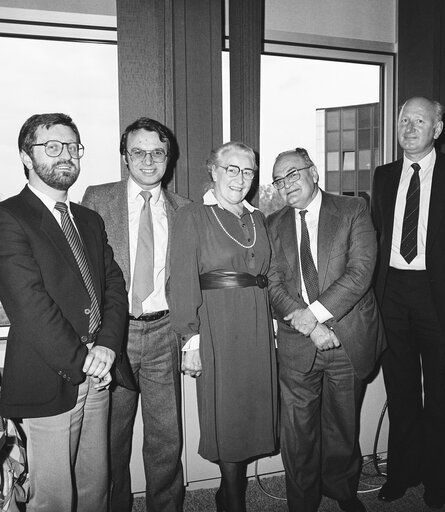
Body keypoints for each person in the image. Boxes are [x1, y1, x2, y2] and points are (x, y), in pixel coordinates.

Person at [0, 113, 128, 512]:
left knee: (94, 486)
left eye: (73, 147)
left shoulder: (89, 219)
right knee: (53, 497)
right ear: (26, 155)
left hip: (99, 368)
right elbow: (29, 306)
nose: (66, 155)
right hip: (52, 372)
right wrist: (85, 362)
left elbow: (113, 287)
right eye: (52, 146)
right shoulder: (8, 218)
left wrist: (106, 346)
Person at [371, 97, 445, 508]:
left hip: (439, 296)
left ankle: (439, 480)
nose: (409, 126)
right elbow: (377, 235)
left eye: (419, 120)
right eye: (404, 119)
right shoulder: (384, 176)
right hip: (392, 297)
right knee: (400, 392)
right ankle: (403, 474)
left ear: (437, 129)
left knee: (440, 394)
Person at [267, 147, 385, 512]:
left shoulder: (353, 210)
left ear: (314, 172)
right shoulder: (271, 225)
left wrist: (313, 315)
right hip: (296, 343)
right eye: (278, 179)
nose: (286, 184)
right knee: (297, 434)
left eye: (293, 174)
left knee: (342, 428)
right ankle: (301, 502)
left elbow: (360, 273)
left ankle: (343, 491)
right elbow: (271, 283)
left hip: (345, 339)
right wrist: (307, 324)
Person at [82, 117, 189, 512]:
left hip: (164, 333)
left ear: (168, 158)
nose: (148, 160)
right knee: (110, 437)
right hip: (115, 335)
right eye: (138, 152)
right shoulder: (97, 198)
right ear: (125, 157)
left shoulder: (185, 210)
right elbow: (83, 269)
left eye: (157, 152)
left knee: (166, 438)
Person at [169, 141, 278, 512]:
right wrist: (191, 341)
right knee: (228, 414)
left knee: (251, 409)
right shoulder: (192, 217)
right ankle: (232, 497)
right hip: (217, 327)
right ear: (212, 171)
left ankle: (229, 491)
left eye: (248, 171)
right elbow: (181, 280)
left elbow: (269, 274)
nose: (241, 178)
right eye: (232, 169)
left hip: (257, 326)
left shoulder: (258, 218)